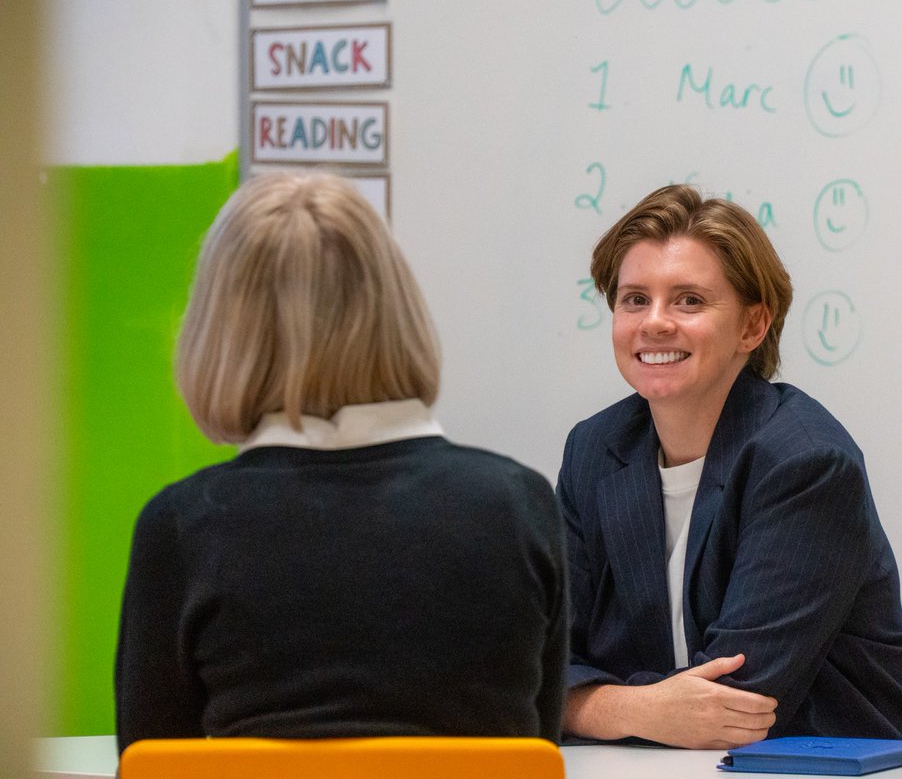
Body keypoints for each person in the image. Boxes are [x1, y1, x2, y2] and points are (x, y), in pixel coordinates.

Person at [114, 171, 567, 753]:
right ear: (394, 307)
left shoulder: (181, 526)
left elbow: (152, 762)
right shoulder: (518, 506)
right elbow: (540, 742)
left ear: (220, 331)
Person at [557, 184, 902, 776]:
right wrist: (637, 708)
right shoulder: (595, 450)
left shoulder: (806, 463)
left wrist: (594, 704)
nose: (654, 323)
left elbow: (737, 705)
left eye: (687, 301)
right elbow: (537, 670)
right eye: (634, 300)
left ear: (753, 326)